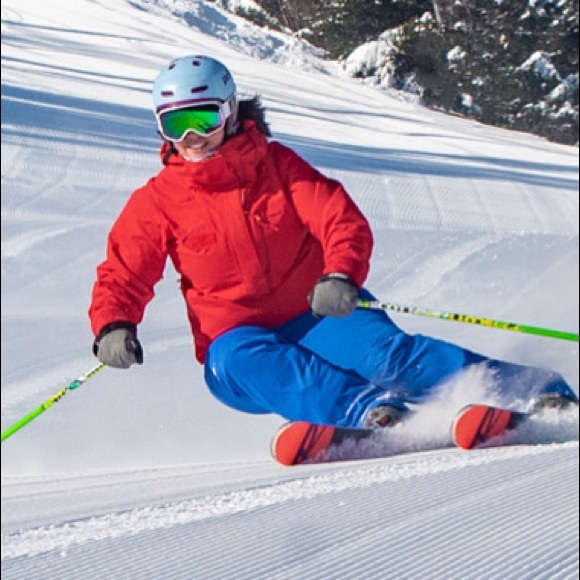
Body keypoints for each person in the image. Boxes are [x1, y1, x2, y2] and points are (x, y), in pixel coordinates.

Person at [89, 54, 578, 430]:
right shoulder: (157, 201)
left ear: (230, 112)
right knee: (238, 358)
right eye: (176, 125)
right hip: (241, 346)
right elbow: (123, 271)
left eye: (204, 119)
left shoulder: (279, 167)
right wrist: (113, 324)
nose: (193, 137)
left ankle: (530, 391)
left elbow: (339, 218)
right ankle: (369, 412)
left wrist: (341, 274)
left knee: (390, 359)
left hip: (319, 312)